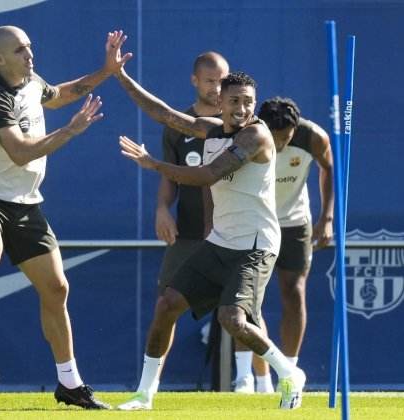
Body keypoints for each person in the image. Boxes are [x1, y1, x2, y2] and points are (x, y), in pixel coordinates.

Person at [0, 26, 131, 409]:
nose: (29, 55)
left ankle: (69, 383)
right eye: (20, 50)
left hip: (25, 203)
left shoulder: (31, 80)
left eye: (30, 48)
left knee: (57, 289)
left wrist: (107, 71)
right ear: (0, 58)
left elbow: (61, 94)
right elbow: (19, 153)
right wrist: (70, 130)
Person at [113, 65, 306, 410]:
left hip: (255, 245)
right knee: (167, 304)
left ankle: (289, 372)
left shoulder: (256, 137)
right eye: (235, 101)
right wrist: (120, 75)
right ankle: (144, 395)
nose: (242, 109)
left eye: (248, 102)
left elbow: (206, 175)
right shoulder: (211, 130)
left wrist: (153, 164)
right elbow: (164, 114)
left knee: (231, 319)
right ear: (219, 102)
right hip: (221, 240)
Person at [232, 97, 333, 393]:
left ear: (296, 129)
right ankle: (249, 379)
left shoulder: (314, 137)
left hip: (294, 223)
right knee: (245, 299)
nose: (279, 146)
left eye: (286, 138)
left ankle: (288, 373)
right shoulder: (247, 135)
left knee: (294, 292)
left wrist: (327, 217)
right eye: (274, 140)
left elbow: (328, 169)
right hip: (253, 221)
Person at [153, 51, 228, 379]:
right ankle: (148, 384)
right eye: (210, 81)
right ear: (194, 81)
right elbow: (169, 175)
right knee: (165, 307)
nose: (216, 87)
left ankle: (254, 381)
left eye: (222, 81)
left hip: (231, 232)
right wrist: (162, 209)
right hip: (188, 233)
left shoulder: (238, 127)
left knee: (241, 311)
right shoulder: (178, 126)